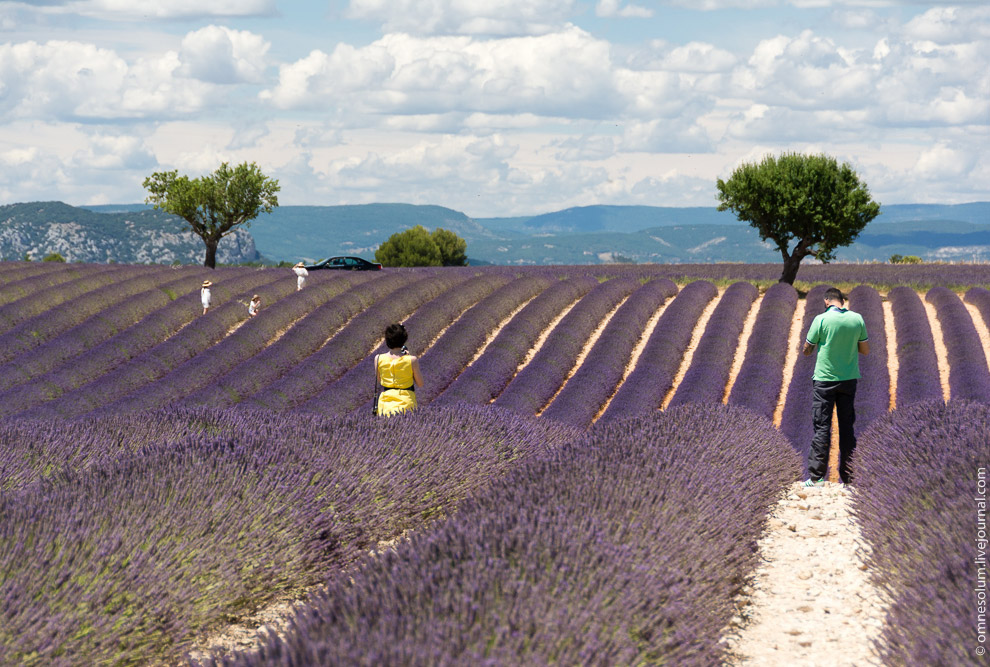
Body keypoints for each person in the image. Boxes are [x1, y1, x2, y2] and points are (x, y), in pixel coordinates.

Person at [802, 287, 869, 486]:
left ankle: (816, 477)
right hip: (848, 380)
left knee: (822, 426)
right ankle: (849, 477)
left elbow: (807, 349)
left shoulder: (821, 320)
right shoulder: (857, 319)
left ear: (827, 301)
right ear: (842, 301)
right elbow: (865, 350)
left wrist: (815, 346)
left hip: (824, 380)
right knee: (847, 427)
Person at [374, 323, 423, 416]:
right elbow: (420, 383)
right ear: (404, 340)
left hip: (385, 404)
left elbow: (380, 380)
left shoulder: (378, 358)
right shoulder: (411, 360)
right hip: (406, 402)